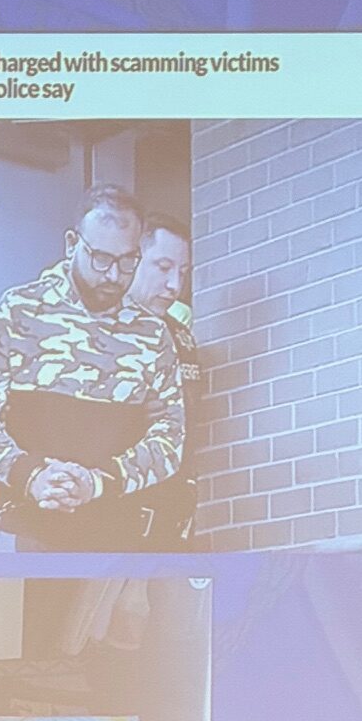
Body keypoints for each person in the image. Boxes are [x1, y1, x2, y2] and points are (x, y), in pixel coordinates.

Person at [0, 182, 184, 553]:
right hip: (26, 522)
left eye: (128, 261)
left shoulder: (152, 335)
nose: (113, 275)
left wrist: (97, 482)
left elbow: (170, 441)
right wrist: (29, 474)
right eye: (101, 259)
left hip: (115, 534)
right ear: (71, 244)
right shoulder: (19, 310)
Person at [127, 214, 200, 548]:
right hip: (113, 507)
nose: (174, 285)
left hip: (171, 509)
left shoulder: (181, 337)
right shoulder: (96, 328)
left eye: (182, 273)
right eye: (163, 267)